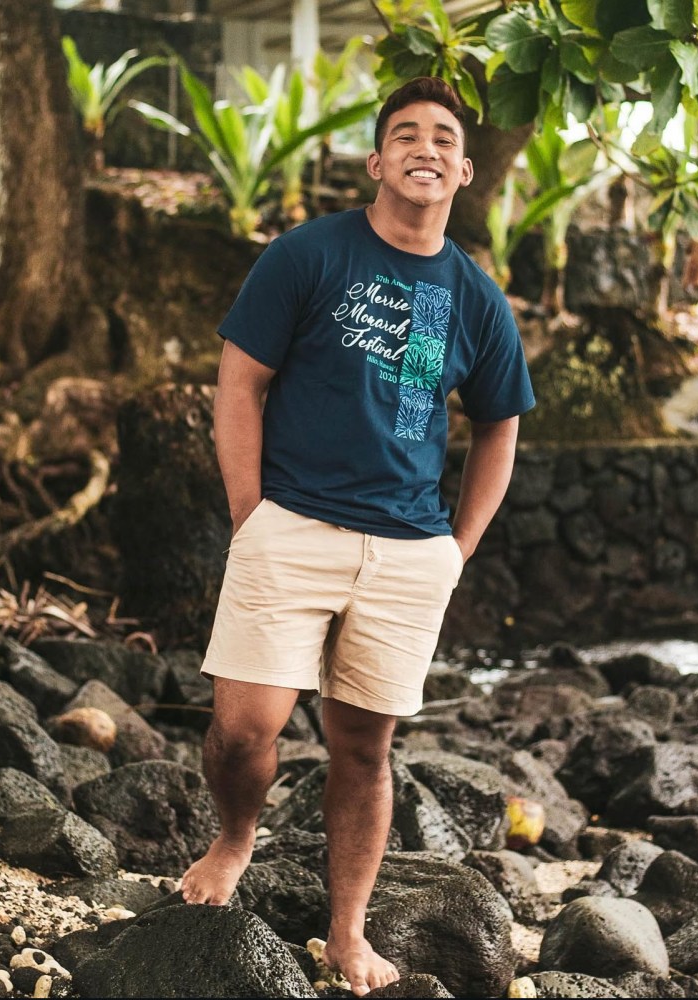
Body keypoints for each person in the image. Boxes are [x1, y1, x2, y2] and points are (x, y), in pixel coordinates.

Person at [180, 76, 535, 996]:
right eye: (405, 134)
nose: (425, 146)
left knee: (363, 746)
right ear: (377, 162)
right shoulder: (308, 254)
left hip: (408, 550)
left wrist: (456, 549)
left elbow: (499, 425)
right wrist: (249, 511)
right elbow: (238, 382)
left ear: (461, 170)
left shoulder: (473, 298)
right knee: (244, 728)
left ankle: (347, 934)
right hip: (290, 522)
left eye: (443, 138)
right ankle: (234, 836)